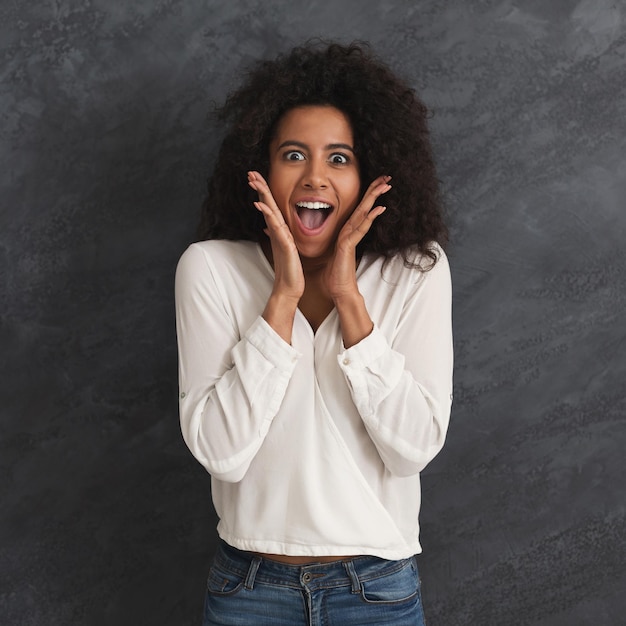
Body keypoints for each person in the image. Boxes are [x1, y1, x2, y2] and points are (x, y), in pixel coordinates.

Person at [175, 41, 453, 626]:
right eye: (294, 155)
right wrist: (282, 299)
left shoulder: (415, 271)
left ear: (372, 172)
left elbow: (414, 450)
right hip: (250, 589)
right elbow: (221, 454)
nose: (316, 177)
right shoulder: (210, 268)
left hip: (377, 589)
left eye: (340, 158)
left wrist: (351, 300)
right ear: (260, 171)